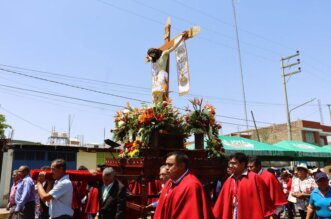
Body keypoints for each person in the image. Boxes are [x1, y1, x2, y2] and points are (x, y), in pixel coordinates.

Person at [213, 153, 275, 219]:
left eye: (234, 163)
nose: (230, 166)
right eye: (230, 163)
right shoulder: (229, 180)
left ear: (243, 164)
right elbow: (221, 203)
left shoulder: (255, 178)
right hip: (233, 214)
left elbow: (265, 199)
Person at [154, 151, 214, 219]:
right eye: (166, 164)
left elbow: (190, 214)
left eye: (170, 165)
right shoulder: (169, 183)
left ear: (182, 166)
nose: (167, 168)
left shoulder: (192, 186)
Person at [146, 31, 188, 102]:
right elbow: (149, 59)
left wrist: (181, 38)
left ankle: (161, 104)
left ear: (155, 52)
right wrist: (149, 58)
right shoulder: (155, 59)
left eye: (152, 54)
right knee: (155, 92)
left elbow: (173, 47)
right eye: (151, 55)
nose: (152, 56)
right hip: (157, 76)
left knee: (161, 91)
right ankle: (157, 106)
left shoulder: (164, 54)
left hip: (162, 74)